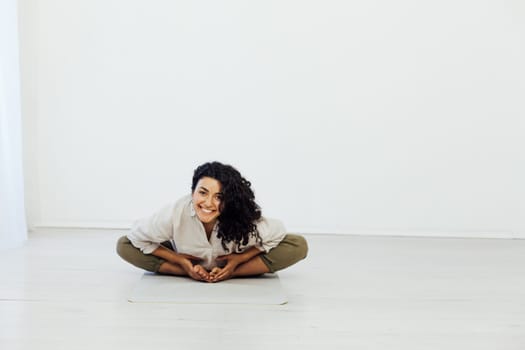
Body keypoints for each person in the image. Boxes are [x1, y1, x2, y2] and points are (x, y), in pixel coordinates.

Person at [116, 161, 308, 283]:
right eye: (202, 193)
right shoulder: (176, 211)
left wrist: (239, 260)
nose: (208, 203)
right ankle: (186, 272)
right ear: (192, 192)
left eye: (219, 197)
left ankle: (230, 273)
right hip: (183, 258)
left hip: (235, 265)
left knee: (297, 244)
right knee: (124, 244)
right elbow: (135, 236)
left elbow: (278, 232)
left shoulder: (240, 217)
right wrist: (180, 261)